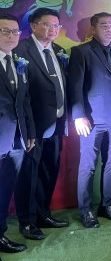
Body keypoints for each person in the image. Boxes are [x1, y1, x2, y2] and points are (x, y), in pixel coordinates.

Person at [14, 8, 68, 242]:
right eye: (47, 24)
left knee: (49, 170)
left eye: (56, 25)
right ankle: (27, 221)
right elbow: (20, 93)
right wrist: (27, 128)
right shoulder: (20, 51)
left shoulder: (59, 51)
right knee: (29, 175)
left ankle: (43, 214)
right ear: (33, 26)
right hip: (32, 127)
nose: (53, 29)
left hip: (57, 124)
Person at [68, 12, 111, 228]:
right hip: (92, 119)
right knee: (88, 165)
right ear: (93, 28)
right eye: (104, 25)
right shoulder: (81, 51)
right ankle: (85, 210)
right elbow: (75, 87)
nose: (109, 29)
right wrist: (78, 115)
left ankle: (107, 205)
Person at [0, 14, 35, 255]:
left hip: (16, 139)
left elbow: (25, 101)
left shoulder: (17, 61)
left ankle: (0, 234)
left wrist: (29, 132)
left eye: (15, 32)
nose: (11, 36)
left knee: (5, 190)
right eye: (5, 31)